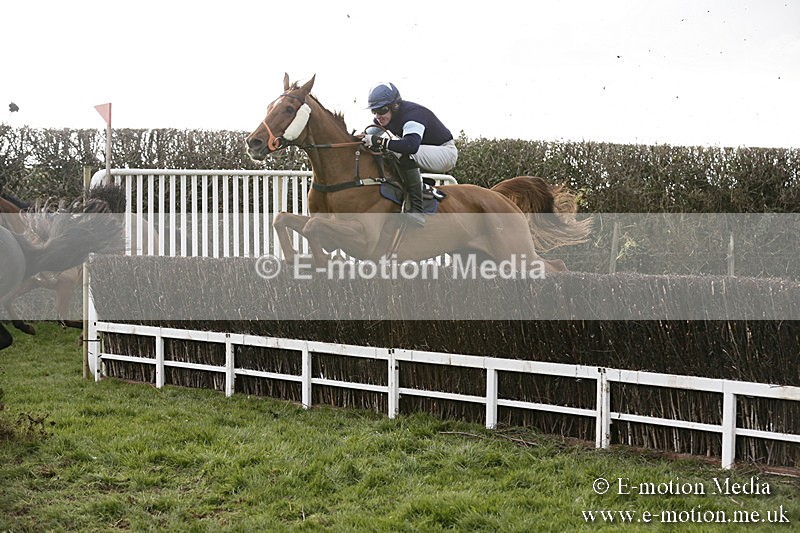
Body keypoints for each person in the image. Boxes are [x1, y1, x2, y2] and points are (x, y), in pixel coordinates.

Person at [361, 82, 457, 226]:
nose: (378, 116)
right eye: (374, 111)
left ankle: (418, 210)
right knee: (387, 150)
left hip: (445, 153)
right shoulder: (384, 117)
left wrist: (379, 141)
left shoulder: (413, 115)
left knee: (399, 151)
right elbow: (364, 137)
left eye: (381, 110)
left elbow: (410, 146)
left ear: (395, 106)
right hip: (425, 150)